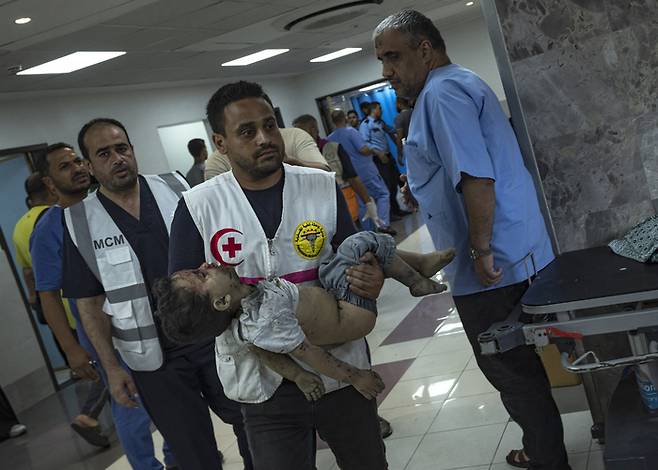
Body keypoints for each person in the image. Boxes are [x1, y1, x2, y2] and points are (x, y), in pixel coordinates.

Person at [374, 10, 570, 470]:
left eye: (393, 57)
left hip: (492, 264)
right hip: (515, 247)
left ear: (425, 49)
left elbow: (477, 177)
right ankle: (544, 449)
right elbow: (460, 165)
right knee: (518, 365)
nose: (386, 71)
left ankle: (548, 459)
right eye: (382, 60)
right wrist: (418, 186)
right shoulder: (453, 85)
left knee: (509, 368)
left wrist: (481, 251)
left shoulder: (441, 95)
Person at [168, 80, 389, 470]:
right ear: (220, 143)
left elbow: (355, 258)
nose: (265, 138)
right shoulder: (198, 207)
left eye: (270, 126)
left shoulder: (319, 186)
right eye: (247, 132)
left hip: (340, 364)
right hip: (262, 383)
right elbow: (190, 303)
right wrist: (262, 326)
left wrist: (370, 278)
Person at [61, 118, 252, 470]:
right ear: (89, 166)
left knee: (250, 423)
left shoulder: (174, 186)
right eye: (104, 154)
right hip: (153, 359)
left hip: (212, 337)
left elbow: (219, 249)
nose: (117, 158)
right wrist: (112, 368)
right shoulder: (79, 222)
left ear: (132, 150)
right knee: (193, 452)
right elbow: (88, 305)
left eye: (122, 148)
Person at [157, 233, 453, 396]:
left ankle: (420, 267)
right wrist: (355, 377)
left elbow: (267, 355)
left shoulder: (247, 321)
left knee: (332, 262)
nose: (206, 264)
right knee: (359, 243)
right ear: (221, 302)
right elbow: (311, 353)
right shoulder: (267, 321)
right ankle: (417, 277)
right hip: (351, 312)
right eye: (201, 274)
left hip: (334, 294)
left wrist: (297, 377)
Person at [32, 142, 179, 465]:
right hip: (102, 330)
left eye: (78, 162)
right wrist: (72, 349)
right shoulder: (49, 229)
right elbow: (48, 295)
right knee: (131, 402)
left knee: (168, 396)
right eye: (65, 166)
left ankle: (176, 455)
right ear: (48, 182)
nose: (78, 169)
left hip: (142, 320)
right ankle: (145, 465)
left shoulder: (103, 207)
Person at [292, 114, 379, 226]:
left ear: (313, 129)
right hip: (319, 214)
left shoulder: (334, 148)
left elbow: (352, 177)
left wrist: (368, 202)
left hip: (344, 206)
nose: (297, 136)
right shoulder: (296, 156)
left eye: (300, 132)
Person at [327, 110, 396, 236]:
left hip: (351, 176)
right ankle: (383, 224)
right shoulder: (351, 132)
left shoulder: (330, 138)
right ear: (345, 118)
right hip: (366, 171)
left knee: (363, 201)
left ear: (332, 121)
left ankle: (368, 232)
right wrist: (377, 152)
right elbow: (363, 150)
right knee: (383, 194)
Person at [12, 173, 57, 325]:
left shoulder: (18, 227)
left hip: (50, 307)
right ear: (51, 186)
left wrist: (33, 298)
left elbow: (28, 270)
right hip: (77, 303)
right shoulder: (56, 216)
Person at [360, 101, 406, 218]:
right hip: (378, 158)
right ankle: (390, 214)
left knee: (396, 181)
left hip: (388, 156)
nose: (382, 111)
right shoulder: (365, 124)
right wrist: (378, 153)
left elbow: (393, 131)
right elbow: (365, 142)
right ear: (374, 110)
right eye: (380, 109)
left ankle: (397, 210)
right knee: (387, 185)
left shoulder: (381, 123)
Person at [394, 97, 412, 167]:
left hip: (412, 148)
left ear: (399, 104)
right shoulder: (416, 111)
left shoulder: (399, 118)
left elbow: (399, 138)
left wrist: (399, 154)